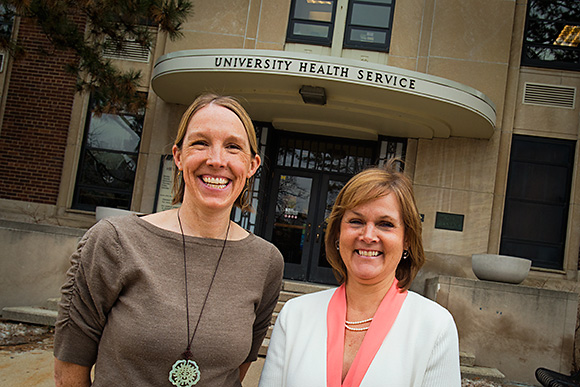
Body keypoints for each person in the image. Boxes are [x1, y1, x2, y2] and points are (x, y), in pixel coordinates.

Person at [53, 93, 284, 387]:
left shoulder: (266, 263)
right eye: (200, 143)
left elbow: (236, 370)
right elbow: (69, 369)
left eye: (233, 147)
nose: (216, 160)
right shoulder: (114, 242)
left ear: (252, 165)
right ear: (178, 156)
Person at [259, 161, 461, 387]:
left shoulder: (435, 327)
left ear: (407, 240)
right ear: (337, 233)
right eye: (356, 221)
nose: (368, 235)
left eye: (385, 224)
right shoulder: (294, 316)